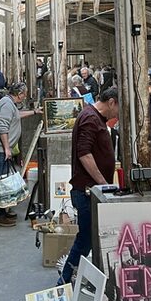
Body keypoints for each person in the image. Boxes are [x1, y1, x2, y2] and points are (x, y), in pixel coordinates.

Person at [59, 87, 119, 285]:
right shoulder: (90, 119)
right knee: (85, 240)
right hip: (87, 191)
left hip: (90, 191)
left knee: (88, 239)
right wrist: (103, 184)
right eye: (118, 108)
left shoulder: (94, 118)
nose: (118, 114)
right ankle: (64, 281)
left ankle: (71, 278)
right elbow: (84, 153)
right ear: (111, 102)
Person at [0, 82, 28, 227]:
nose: (25, 97)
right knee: (0, 182)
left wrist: (35, 112)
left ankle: (3, 210)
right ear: (20, 94)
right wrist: (7, 148)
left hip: (1, 148)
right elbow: (2, 127)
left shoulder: (9, 103)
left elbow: (16, 116)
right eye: (25, 94)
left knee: (3, 181)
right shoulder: (6, 104)